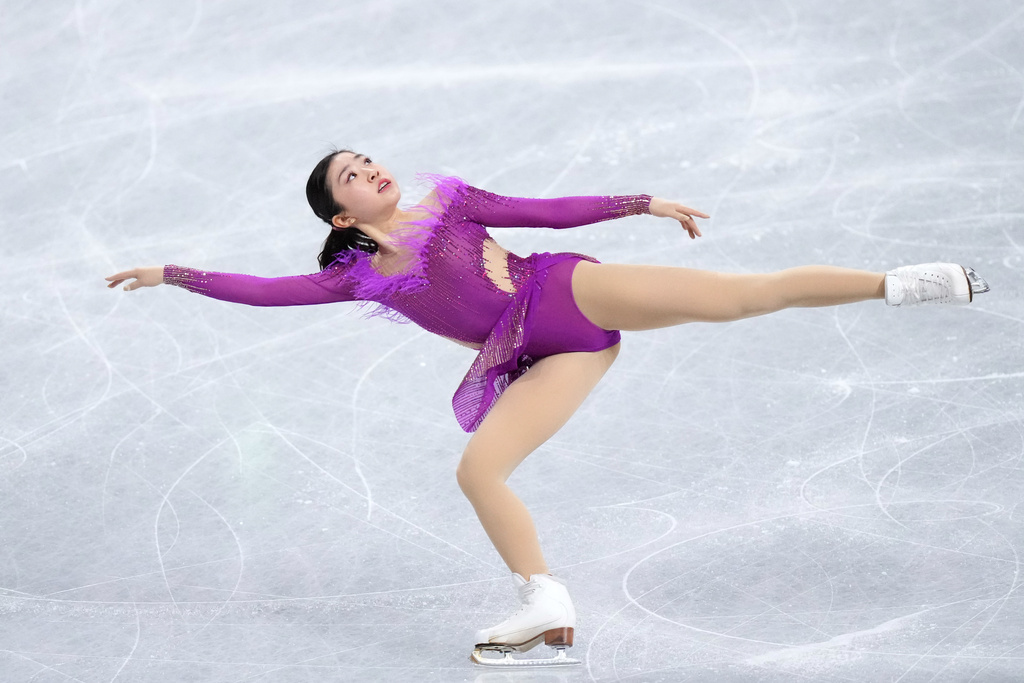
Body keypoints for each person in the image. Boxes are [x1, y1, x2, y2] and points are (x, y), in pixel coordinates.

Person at [106, 149, 989, 667]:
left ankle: (906, 283)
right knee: (478, 469)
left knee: (740, 295)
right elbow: (263, 291)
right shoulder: (353, 274)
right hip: (542, 355)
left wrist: (639, 201)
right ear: (340, 212)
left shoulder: (451, 202)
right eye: (352, 173)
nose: (372, 168)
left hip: (572, 295)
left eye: (369, 158)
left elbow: (542, 206)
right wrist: (172, 272)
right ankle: (545, 600)